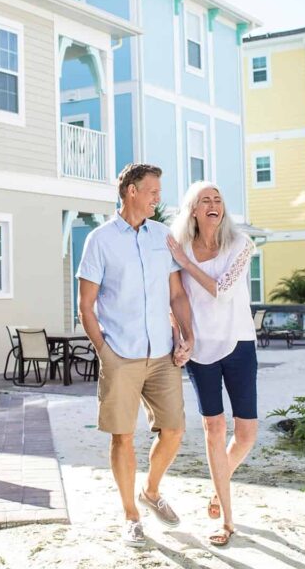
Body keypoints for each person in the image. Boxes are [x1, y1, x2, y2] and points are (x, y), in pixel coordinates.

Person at [76, 163, 194, 548]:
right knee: (122, 437)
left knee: (174, 429)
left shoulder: (163, 237)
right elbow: (86, 306)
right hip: (120, 354)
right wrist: (104, 352)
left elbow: (176, 293)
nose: (158, 198)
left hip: (161, 352)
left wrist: (186, 334)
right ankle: (131, 513)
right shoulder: (100, 240)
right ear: (131, 191)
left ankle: (151, 489)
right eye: (152, 191)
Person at [166, 181, 258, 547]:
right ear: (193, 210)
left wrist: (186, 261)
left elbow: (221, 288)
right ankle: (228, 521)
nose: (213, 204)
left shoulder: (241, 244)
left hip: (238, 344)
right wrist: (180, 339)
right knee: (214, 430)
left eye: (218, 199)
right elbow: (174, 300)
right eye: (205, 200)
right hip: (201, 351)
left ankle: (219, 484)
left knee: (247, 435)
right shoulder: (179, 248)